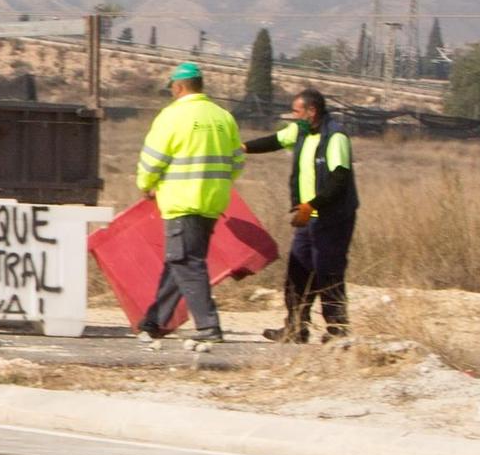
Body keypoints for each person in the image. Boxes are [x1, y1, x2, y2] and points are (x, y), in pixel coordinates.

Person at [134, 61, 244, 343]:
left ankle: (208, 327)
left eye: (172, 87)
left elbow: (152, 159)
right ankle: (154, 322)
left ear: (179, 86)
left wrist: (146, 185)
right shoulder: (223, 117)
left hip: (182, 200)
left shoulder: (172, 116)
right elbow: (237, 161)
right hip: (212, 201)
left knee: (185, 261)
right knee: (180, 261)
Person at [243, 87, 358, 342]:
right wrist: (242, 147)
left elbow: (339, 179)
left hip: (333, 216)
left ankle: (338, 332)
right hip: (307, 215)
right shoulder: (301, 131)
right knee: (298, 269)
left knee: (328, 271)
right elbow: (274, 141)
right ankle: (296, 328)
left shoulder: (335, 137)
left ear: (311, 111)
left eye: (297, 111)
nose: (293, 116)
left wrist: (313, 204)